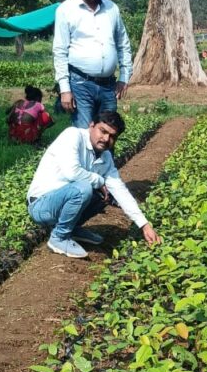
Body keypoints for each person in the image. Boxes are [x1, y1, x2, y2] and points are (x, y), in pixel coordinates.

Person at [26, 109, 161, 260]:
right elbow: (73, 172)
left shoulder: (106, 157)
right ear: (91, 125)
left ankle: (72, 229)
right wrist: (100, 181)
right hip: (41, 205)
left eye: (112, 136)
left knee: (105, 194)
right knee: (84, 188)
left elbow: (119, 189)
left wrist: (144, 225)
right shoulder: (73, 135)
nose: (105, 138)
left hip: (64, 200)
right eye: (102, 131)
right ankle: (59, 237)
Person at [52, 0, 132, 127]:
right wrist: (65, 89)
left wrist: (124, 77)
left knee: (108, 132)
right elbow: (60, 51)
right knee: (83, 133)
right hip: (80, 84)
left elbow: (123, 44)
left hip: (108, 86)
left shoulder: (112, 9)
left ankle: (107, 155)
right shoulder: (66, 10)